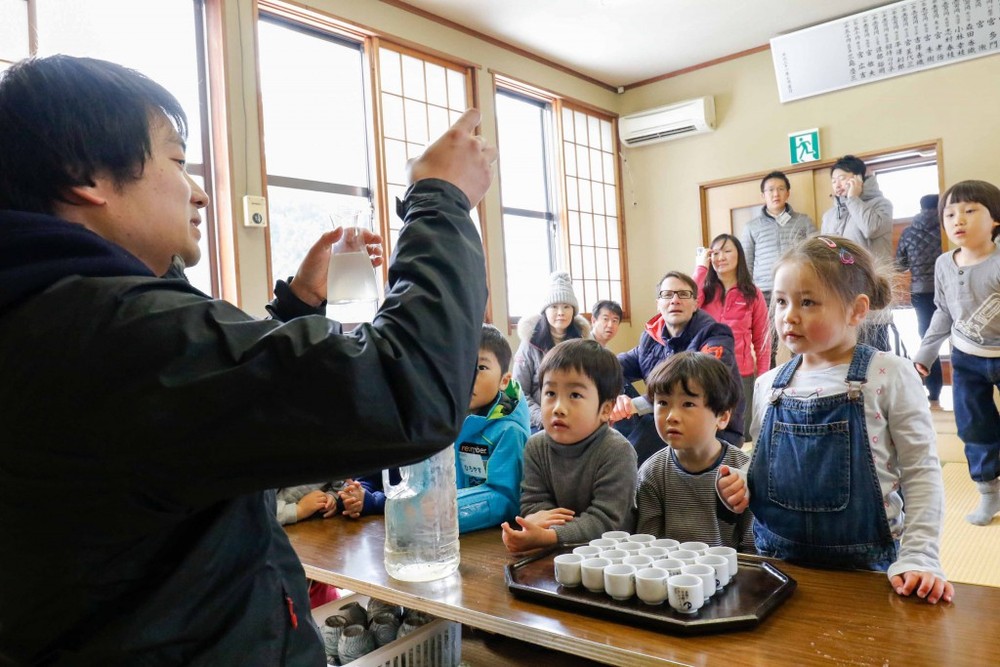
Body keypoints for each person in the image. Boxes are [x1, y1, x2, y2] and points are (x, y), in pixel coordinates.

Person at [0, 55, 496, 664]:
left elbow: (207, 413)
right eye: (179, 162)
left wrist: (295, 308)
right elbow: (406, 388)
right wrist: (440, 199)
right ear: (86, 176)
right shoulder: (110, 331)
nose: (200, 190)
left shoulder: (42, 314)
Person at [718, 235, 953, 605]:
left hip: (866, 567)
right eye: (780, 301)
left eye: (807, 302)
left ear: (856, 310)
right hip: (777, 562)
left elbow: (921, 471)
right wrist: (744, 482)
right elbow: (763, 461)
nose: (788, 315)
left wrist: (920, 555)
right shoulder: (768, 385)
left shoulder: (889, 374)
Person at [913, 181, 1000, 526]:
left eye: (969, 210)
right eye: (949, 213)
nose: (957, 219)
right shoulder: (944, 264)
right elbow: (943, 312)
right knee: (974, 427)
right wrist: (925, 353)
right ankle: (989, 492)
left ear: (995, 218)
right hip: (966, 357)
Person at [500, 339, 637, 552]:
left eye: (575, 395)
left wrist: (549, 534)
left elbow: (608, 521)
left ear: (605, 409)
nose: (558, 408)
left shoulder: (617, 451)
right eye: (550, 393)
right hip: (558, 552)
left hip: (611, 557)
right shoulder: (536, 446)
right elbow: (533, 503)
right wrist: (537, 520)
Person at [612, 271, 744, 467]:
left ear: (695, 303)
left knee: (628, 459)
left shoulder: (715, 334)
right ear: (659, 303)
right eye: (667, 295)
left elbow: (699, 382)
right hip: (666, 419)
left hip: (713, 429)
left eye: (683, 294)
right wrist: (616, 399)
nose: (675, 300)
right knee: (607, 377)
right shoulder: (650, 338)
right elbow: (614, 365)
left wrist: (634, 405)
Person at [635, 352, 754, 550]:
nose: (672, 416)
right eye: (663, 403)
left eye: (688, 404)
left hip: (732, 574)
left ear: (722, 417)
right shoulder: (652, 473)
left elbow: (753, 546)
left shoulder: (743, 471)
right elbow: (648, 546)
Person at [454, 323, 531, 533]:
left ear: (504, 381)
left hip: (493, 535)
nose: (468, 377)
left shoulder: (509, 431)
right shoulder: (450, 419)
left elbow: (506, 498)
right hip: (451, 532)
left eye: (480, 368)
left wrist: (448, 511)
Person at [695, 233, 771, 439]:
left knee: (741, 435)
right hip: (704, 372)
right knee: (706, 432)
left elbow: (762, 339)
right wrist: (701, 268)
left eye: (727, 251)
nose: (721, 257)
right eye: (716, 253)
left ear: (739, 256)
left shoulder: (752, 293)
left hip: (741, 374)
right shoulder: (704, 291)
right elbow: (690, 303)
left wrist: (762, 377)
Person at [741, 170, 815, 366]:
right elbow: (746, 262)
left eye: (781, 189)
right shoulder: (751, 227)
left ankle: (801, 379)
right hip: (764, 291)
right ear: (763, 196)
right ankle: (770, 385)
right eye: (771, 190)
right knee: (766, 343)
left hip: (798, 289)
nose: (776, 194)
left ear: (788, 193)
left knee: (799, 336)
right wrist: (748, 293)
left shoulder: (804, 221)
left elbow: (816, 255)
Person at [821, 155, 895, 351]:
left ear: (859, 179)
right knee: (847, 355)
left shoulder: (882, 205)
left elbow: (871, 228)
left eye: (843, 178)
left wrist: (853, 198)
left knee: (875, 357)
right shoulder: (829, 215)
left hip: (871, 291)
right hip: (841, 293)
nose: (837, 184)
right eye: (833, 180)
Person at [513, 271, 591, 431]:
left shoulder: (583, 343)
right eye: (554, 307)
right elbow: (517, 391)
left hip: (575, 417)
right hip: (538, 421)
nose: (560, 312)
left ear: (573, 311)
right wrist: (543, 417)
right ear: (545, 311)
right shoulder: (530, 343)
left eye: (566, 307)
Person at [897, 193, 943, 406]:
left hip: (921, 291)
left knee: (928, 340)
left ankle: (933, 392)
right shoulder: (945, 227)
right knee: (960, 337)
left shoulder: (908, 232)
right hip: (947, 288)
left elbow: (900, 265)